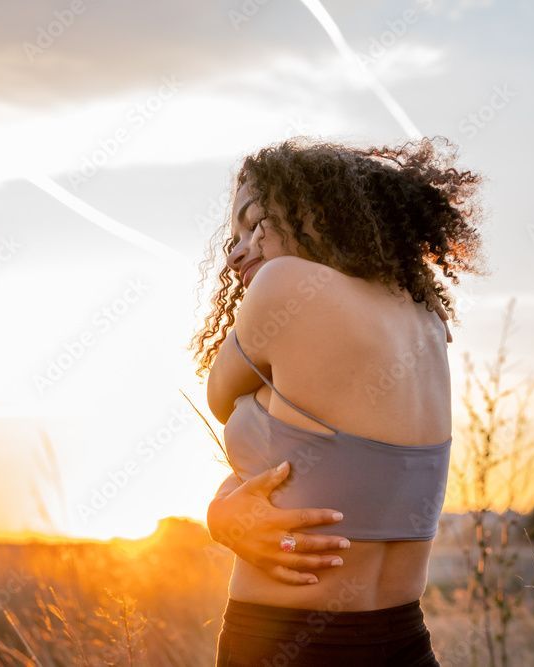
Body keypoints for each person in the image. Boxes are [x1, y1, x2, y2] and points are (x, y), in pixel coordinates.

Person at [189, 136, 485, 665]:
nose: (236, 251)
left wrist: (223, 515)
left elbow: (218, 397)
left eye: (255, 222)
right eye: (234, 236)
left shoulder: (286, 285)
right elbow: (326, 469)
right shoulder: (426, 322)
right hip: (405, 644)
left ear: (319, 212)